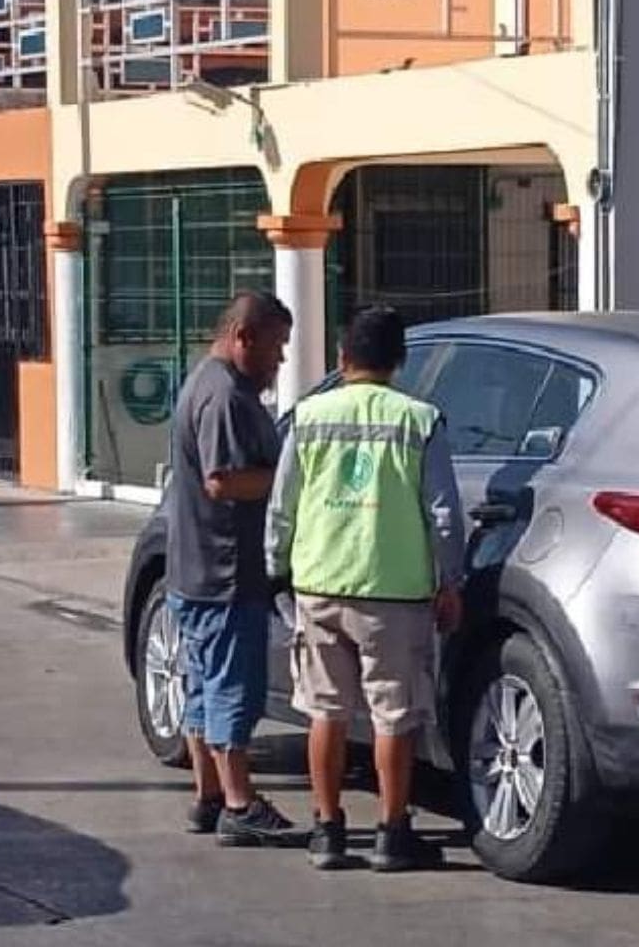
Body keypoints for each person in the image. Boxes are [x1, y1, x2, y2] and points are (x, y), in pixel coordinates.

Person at [266, 306, 464, 873]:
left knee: (325, 711)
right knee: (393, 716)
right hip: (394, 591)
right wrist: (451, 582)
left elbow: (283, 506)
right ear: (400, 360)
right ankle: (391, 832)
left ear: (340, 357)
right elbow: (444, 513)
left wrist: (277, 569)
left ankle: (327, 831)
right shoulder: (421, 420)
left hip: (320, 583)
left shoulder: (307, 417)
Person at [163, 290, 305, 848]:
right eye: (276, 346)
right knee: (229, 690)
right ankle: (241, 803)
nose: (281, 360)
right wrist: (291, 480)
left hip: (196, 569)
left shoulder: (211, 383)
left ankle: (209, 795)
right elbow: (222, 481)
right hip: (223, 571)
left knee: (202, 688)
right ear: (244, 337)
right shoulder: (223, 394)